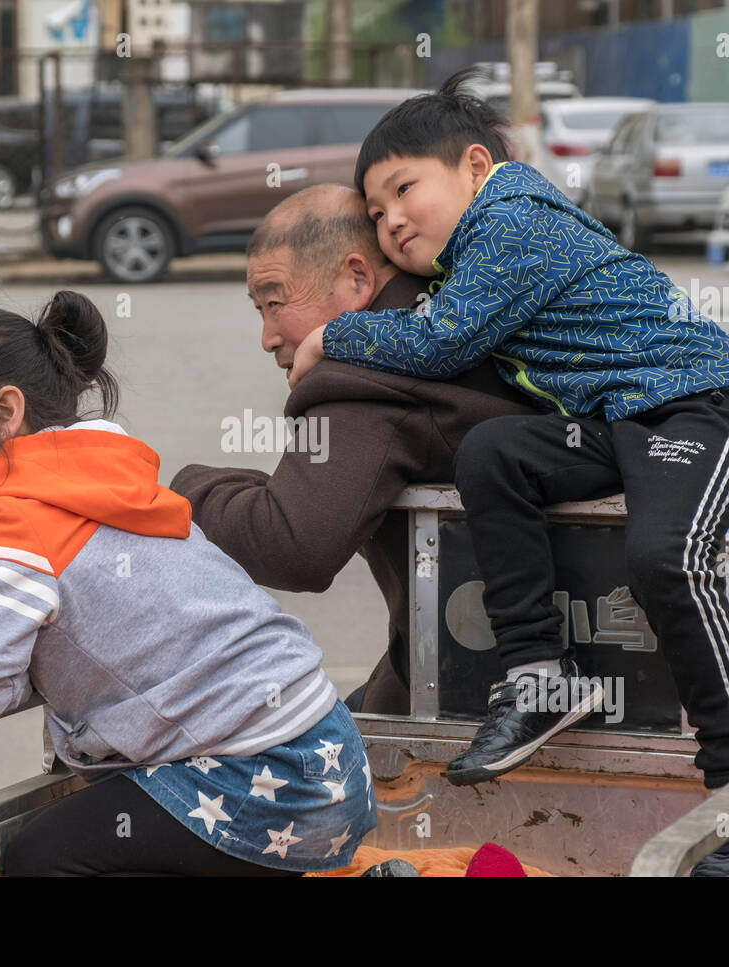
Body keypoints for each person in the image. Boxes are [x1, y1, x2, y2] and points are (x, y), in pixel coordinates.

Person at [288, 72, 729, 875]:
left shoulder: (515, 219)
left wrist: (328, 339)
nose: (391, 222)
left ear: (477, 167)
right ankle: (539, 679)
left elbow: (438, 341)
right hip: (619, 422)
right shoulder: (477, 251)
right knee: (496, 454)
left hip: (703, 406)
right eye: (376, 214)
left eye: (404, 188)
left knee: (666, 559)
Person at [0, 290, 375, 876]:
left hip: (261, 781)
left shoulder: (12, 520)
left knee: (42, 859)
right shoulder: (101, 475)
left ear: (5, 412)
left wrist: (22, 677)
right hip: (328, 753)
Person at [172, 184, 535, 714]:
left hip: (477, 681)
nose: (268, 337)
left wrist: (184, 490)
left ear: (358, 277)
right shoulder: (465, 305)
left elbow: (293, 544)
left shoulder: (367, 375)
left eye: (275, 303)